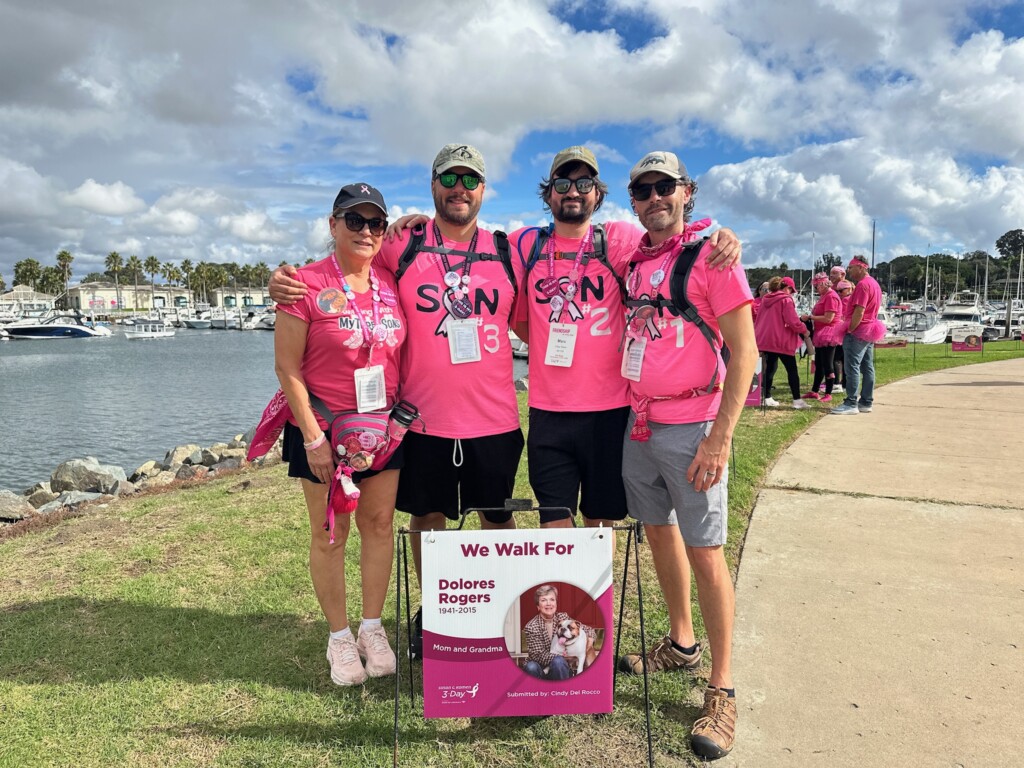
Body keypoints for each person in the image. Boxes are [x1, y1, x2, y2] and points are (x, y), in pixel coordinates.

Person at [384, 145, 741, 532]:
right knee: (548, 525)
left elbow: (667, 239)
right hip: (544, 412)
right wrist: (416, 223)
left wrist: (719, 236)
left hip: (608, 411)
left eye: (584, 183)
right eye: (562, 184)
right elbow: (507, 301)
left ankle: (597, 579)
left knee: (599, 524)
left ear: (597, 194)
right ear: (549, 193)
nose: (573, 191)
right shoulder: (523, 244)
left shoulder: (619, 239)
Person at [269, 144, 524, 660]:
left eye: (469, 179)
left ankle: (497, 617)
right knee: (423, 521)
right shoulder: (402, 245)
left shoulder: (508, 250)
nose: (459, 188)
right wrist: (280, 280)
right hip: (419, 421)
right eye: (448, 178)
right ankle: (435, 614)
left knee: (496, 520)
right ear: (433, 185)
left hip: (493, 419)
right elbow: (337, 269)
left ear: (483, 189)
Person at [616, 150, 758, 761]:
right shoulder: (634, 259)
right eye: (643, 190)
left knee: (705, 551)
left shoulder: (713, 258)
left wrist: (720, 438)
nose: (655, 198)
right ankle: (681, 643)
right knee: (659, 533)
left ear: (686, 191)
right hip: (640, 424)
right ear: (633, 201)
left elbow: (745, 354)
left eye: (665, 187)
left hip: (693, 426)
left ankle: (722, 688)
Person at [274, 183, 404, 686]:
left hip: (381, 430)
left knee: (379, 526)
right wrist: (313, 439)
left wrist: (409, 221)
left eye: (376, 223)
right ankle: (339, 637)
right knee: (331, 534)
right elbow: (287, 368)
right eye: (355, 220)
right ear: (333, 225)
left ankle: (372, 628)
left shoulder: (391, 281)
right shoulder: (303, 283)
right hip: (323, 430)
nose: (366, 231)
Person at [832, 256, 886, 415]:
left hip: (859, 330)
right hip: (870, 330)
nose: (848, 271)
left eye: (851, 267)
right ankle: (866, 402)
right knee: (867, 367)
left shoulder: (863, 285)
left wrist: (850, 329)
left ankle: (851, 403)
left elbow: (859, 311)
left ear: (861, 267)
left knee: (852, 367)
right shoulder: (874, 284)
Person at [754, 276, 812, 409]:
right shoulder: (786, 300)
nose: (792, 294)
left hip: (766, 339)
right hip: (781, 340)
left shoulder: (765, 300)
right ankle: (797, 400)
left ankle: (766, 397)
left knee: (770, 368)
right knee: (792, 370)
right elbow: (792, 321)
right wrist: (804, 330)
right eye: (792, 291)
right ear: (787, 288)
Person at [522, 584, 595, 680]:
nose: (548, 603)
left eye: (552, 599)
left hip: (560, 667)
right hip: (540, 667)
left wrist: (590, 639)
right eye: (543, 600)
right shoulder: (531, 626)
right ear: (538, 606)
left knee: (558, 662)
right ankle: (538, 688)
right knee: (531, 667)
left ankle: (562, 688)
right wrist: (565, 655)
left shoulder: (562, 617)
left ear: (556, 603)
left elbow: (586, 629)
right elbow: (538, 656)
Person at [801, 272, 843, 403]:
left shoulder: (831, 297)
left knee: (828, 363)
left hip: (829, 332)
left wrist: (811, 317)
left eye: (817, 285)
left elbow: (828, 318)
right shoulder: (824, 296)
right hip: (821, 332)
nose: (816, 288)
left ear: (824, 284)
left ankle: (828, 392)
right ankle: (814, 391)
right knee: (819, 363)